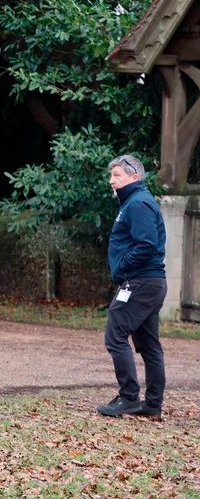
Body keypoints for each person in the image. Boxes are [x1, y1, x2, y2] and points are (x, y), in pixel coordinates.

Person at [97, 154, 167, 418]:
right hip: (150, 282)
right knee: (148, 345)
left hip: (140, 282)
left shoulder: (137, 204)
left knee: (115, 335)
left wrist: (122, 266)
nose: (111, 181)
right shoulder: (136, 202)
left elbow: (146, 244)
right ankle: (152, 405)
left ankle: (128, 397)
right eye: (111, 175)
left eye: (117, 175)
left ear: (134, 177)